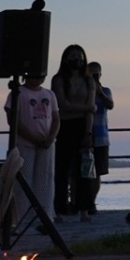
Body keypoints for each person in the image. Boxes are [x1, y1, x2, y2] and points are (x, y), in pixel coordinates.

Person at [5, 70, 58, 225]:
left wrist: (51, 137)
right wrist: (32, 138)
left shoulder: (49, 94)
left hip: (46, 145)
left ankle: (45, 215)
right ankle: (22, 217)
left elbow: (55, 119)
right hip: (25, 143)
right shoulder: (19, 93)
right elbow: (13, 119)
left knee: (45, 180)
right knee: (24, 180)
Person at [50, 44, 96, 220]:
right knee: (62, 171)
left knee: (84, 171)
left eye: (80, 56)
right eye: (73, 55)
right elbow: (62, 105)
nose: (77, 59)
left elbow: (90, 111)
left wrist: (88, 132)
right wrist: (87, 107)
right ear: (66, 58)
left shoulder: (89, 80)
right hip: (63, 126)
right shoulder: (58, 79)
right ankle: (59, 210)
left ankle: (84, 209)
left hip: (83, 126)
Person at [87, 61, 113, 217]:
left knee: (98, 172)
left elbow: (110, 105)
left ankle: (92, 202)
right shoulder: (83, 91)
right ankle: (82, 201)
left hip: (101, 137)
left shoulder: (106, 90)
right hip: (86, 135)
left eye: (97, 73)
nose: (95, 75)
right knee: (82, 172)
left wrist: (99, 92)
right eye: (92, 73)